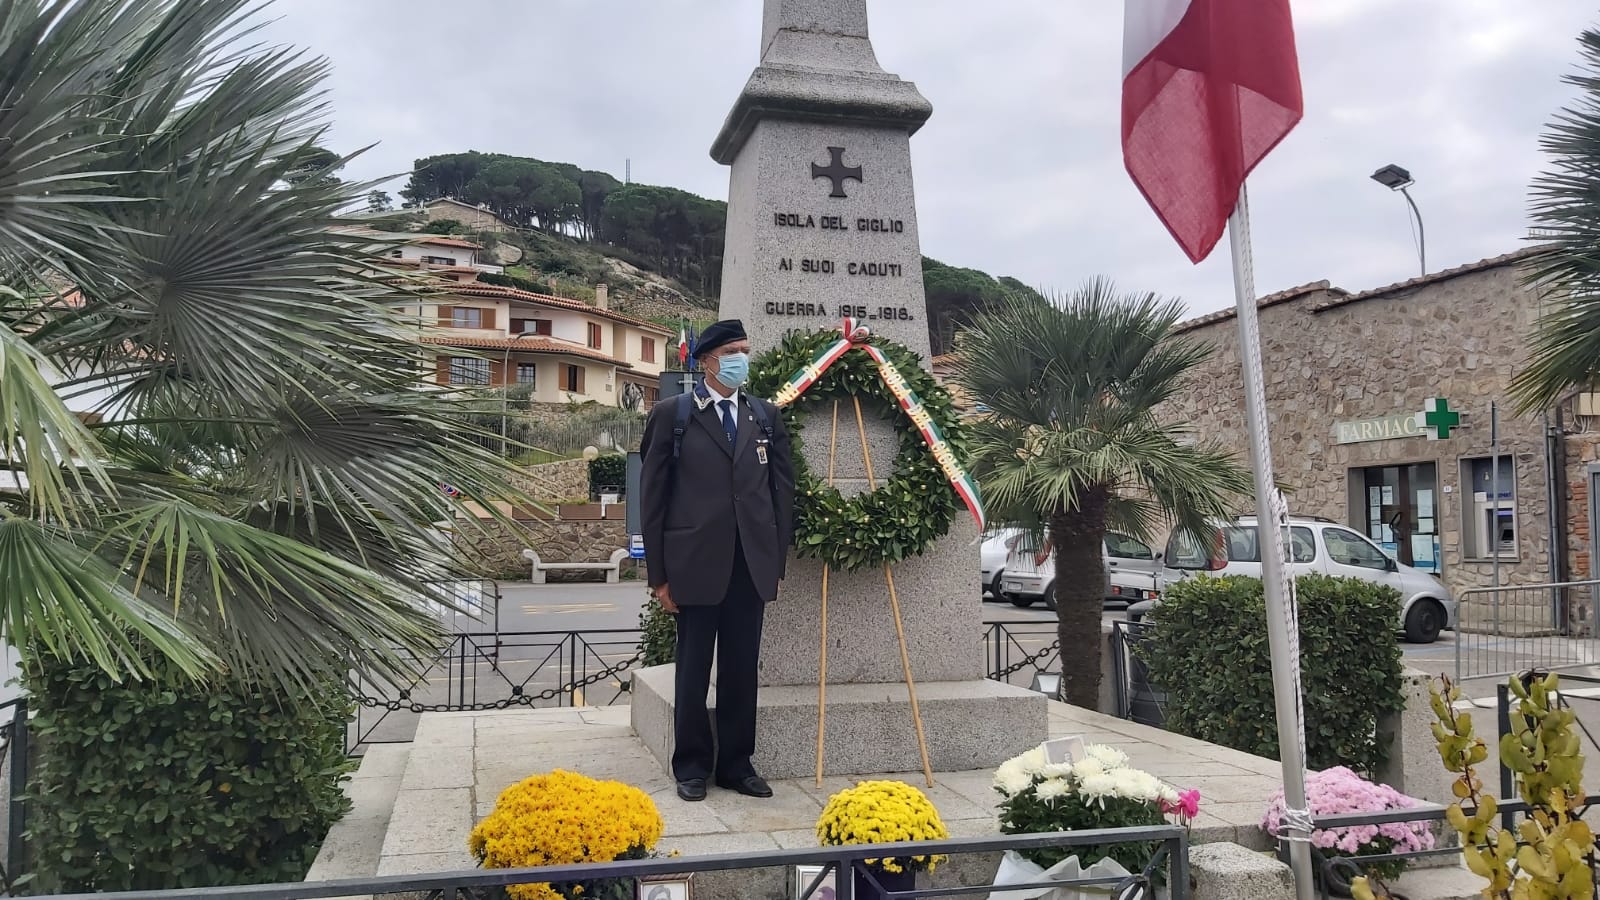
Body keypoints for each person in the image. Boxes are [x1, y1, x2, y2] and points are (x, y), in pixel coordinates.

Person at [638, 319, 796, 802]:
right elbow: (653, 498)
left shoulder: (765, 416)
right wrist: (659, 576)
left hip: (750, 566)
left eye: (745, 350)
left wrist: (776, 563)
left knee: (741, 668)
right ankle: (690, 765)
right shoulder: (675, 415)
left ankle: (736, 765)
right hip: (694, 565)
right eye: (732, 350)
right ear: (707, 359)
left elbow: (781, 496)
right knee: (692, 669)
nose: (741, 359)